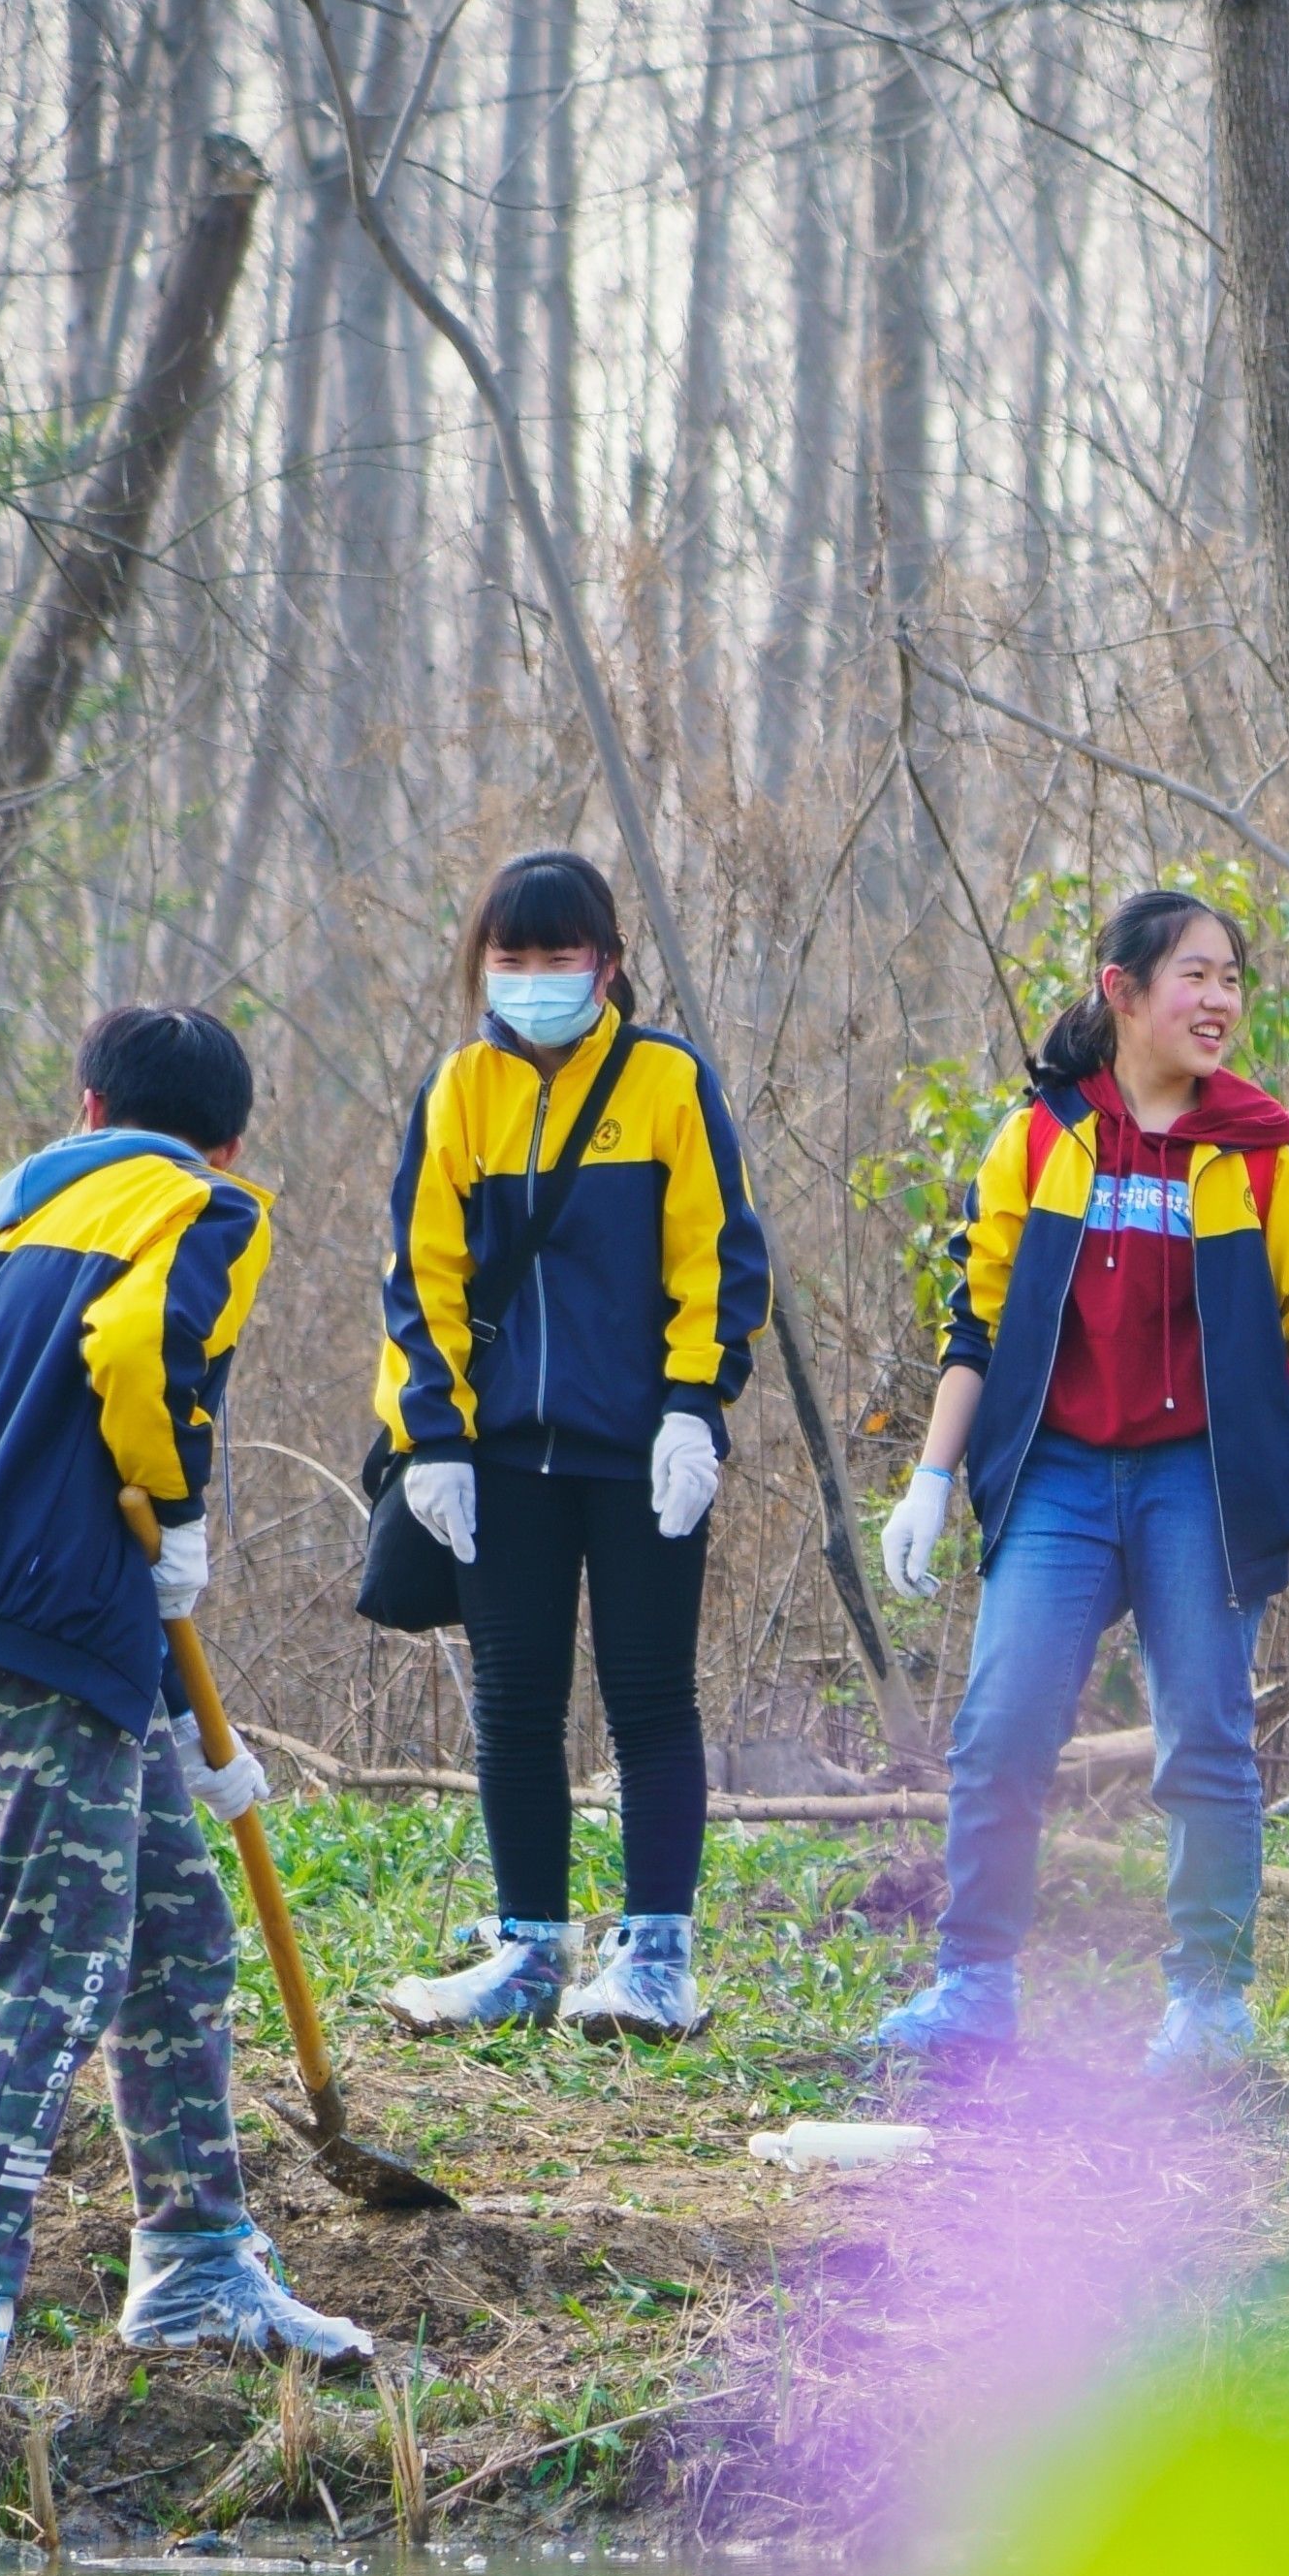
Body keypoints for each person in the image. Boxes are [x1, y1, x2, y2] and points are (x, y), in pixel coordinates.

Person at [0, 1005, 376, 2398]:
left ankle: (198, 2262)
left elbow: (26, 1438)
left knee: (178, 1924)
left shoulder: (19, 1224)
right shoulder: (201, 1206)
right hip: (47, 1616)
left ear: (86, 1103)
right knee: (62, 1951)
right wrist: (183, 1505)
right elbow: (140, 1351)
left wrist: (161, 1699)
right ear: (229, 1138)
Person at [864, 887, 1289, 2070]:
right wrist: (929, 1476)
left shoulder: (1262, 1151)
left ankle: (1209, 2004)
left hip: (1200, 1483)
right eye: (1194, 977)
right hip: (1060, 1475)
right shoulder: (1040, 1140)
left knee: (1205, 1739)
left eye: (1231, 979)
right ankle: (974, 1986)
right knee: (1001, 1725)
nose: (1218, 1001)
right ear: (1122, 990)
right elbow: (981, 1323)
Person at [370, 850, 769, 2043]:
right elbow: (420, 1274)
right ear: (482, 964)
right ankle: (529, 1949)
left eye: (560, 955)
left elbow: (718, 1257)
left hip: (643, 1451)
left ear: (607, 960)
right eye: (514, 956)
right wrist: (431, 1434)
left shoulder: (665, 1080)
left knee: (649, 1699)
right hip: (496, 1457)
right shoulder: (459, 1091)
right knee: (514, 1700)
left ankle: (657, 1960)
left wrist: (698, 1405)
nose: (537, 977)